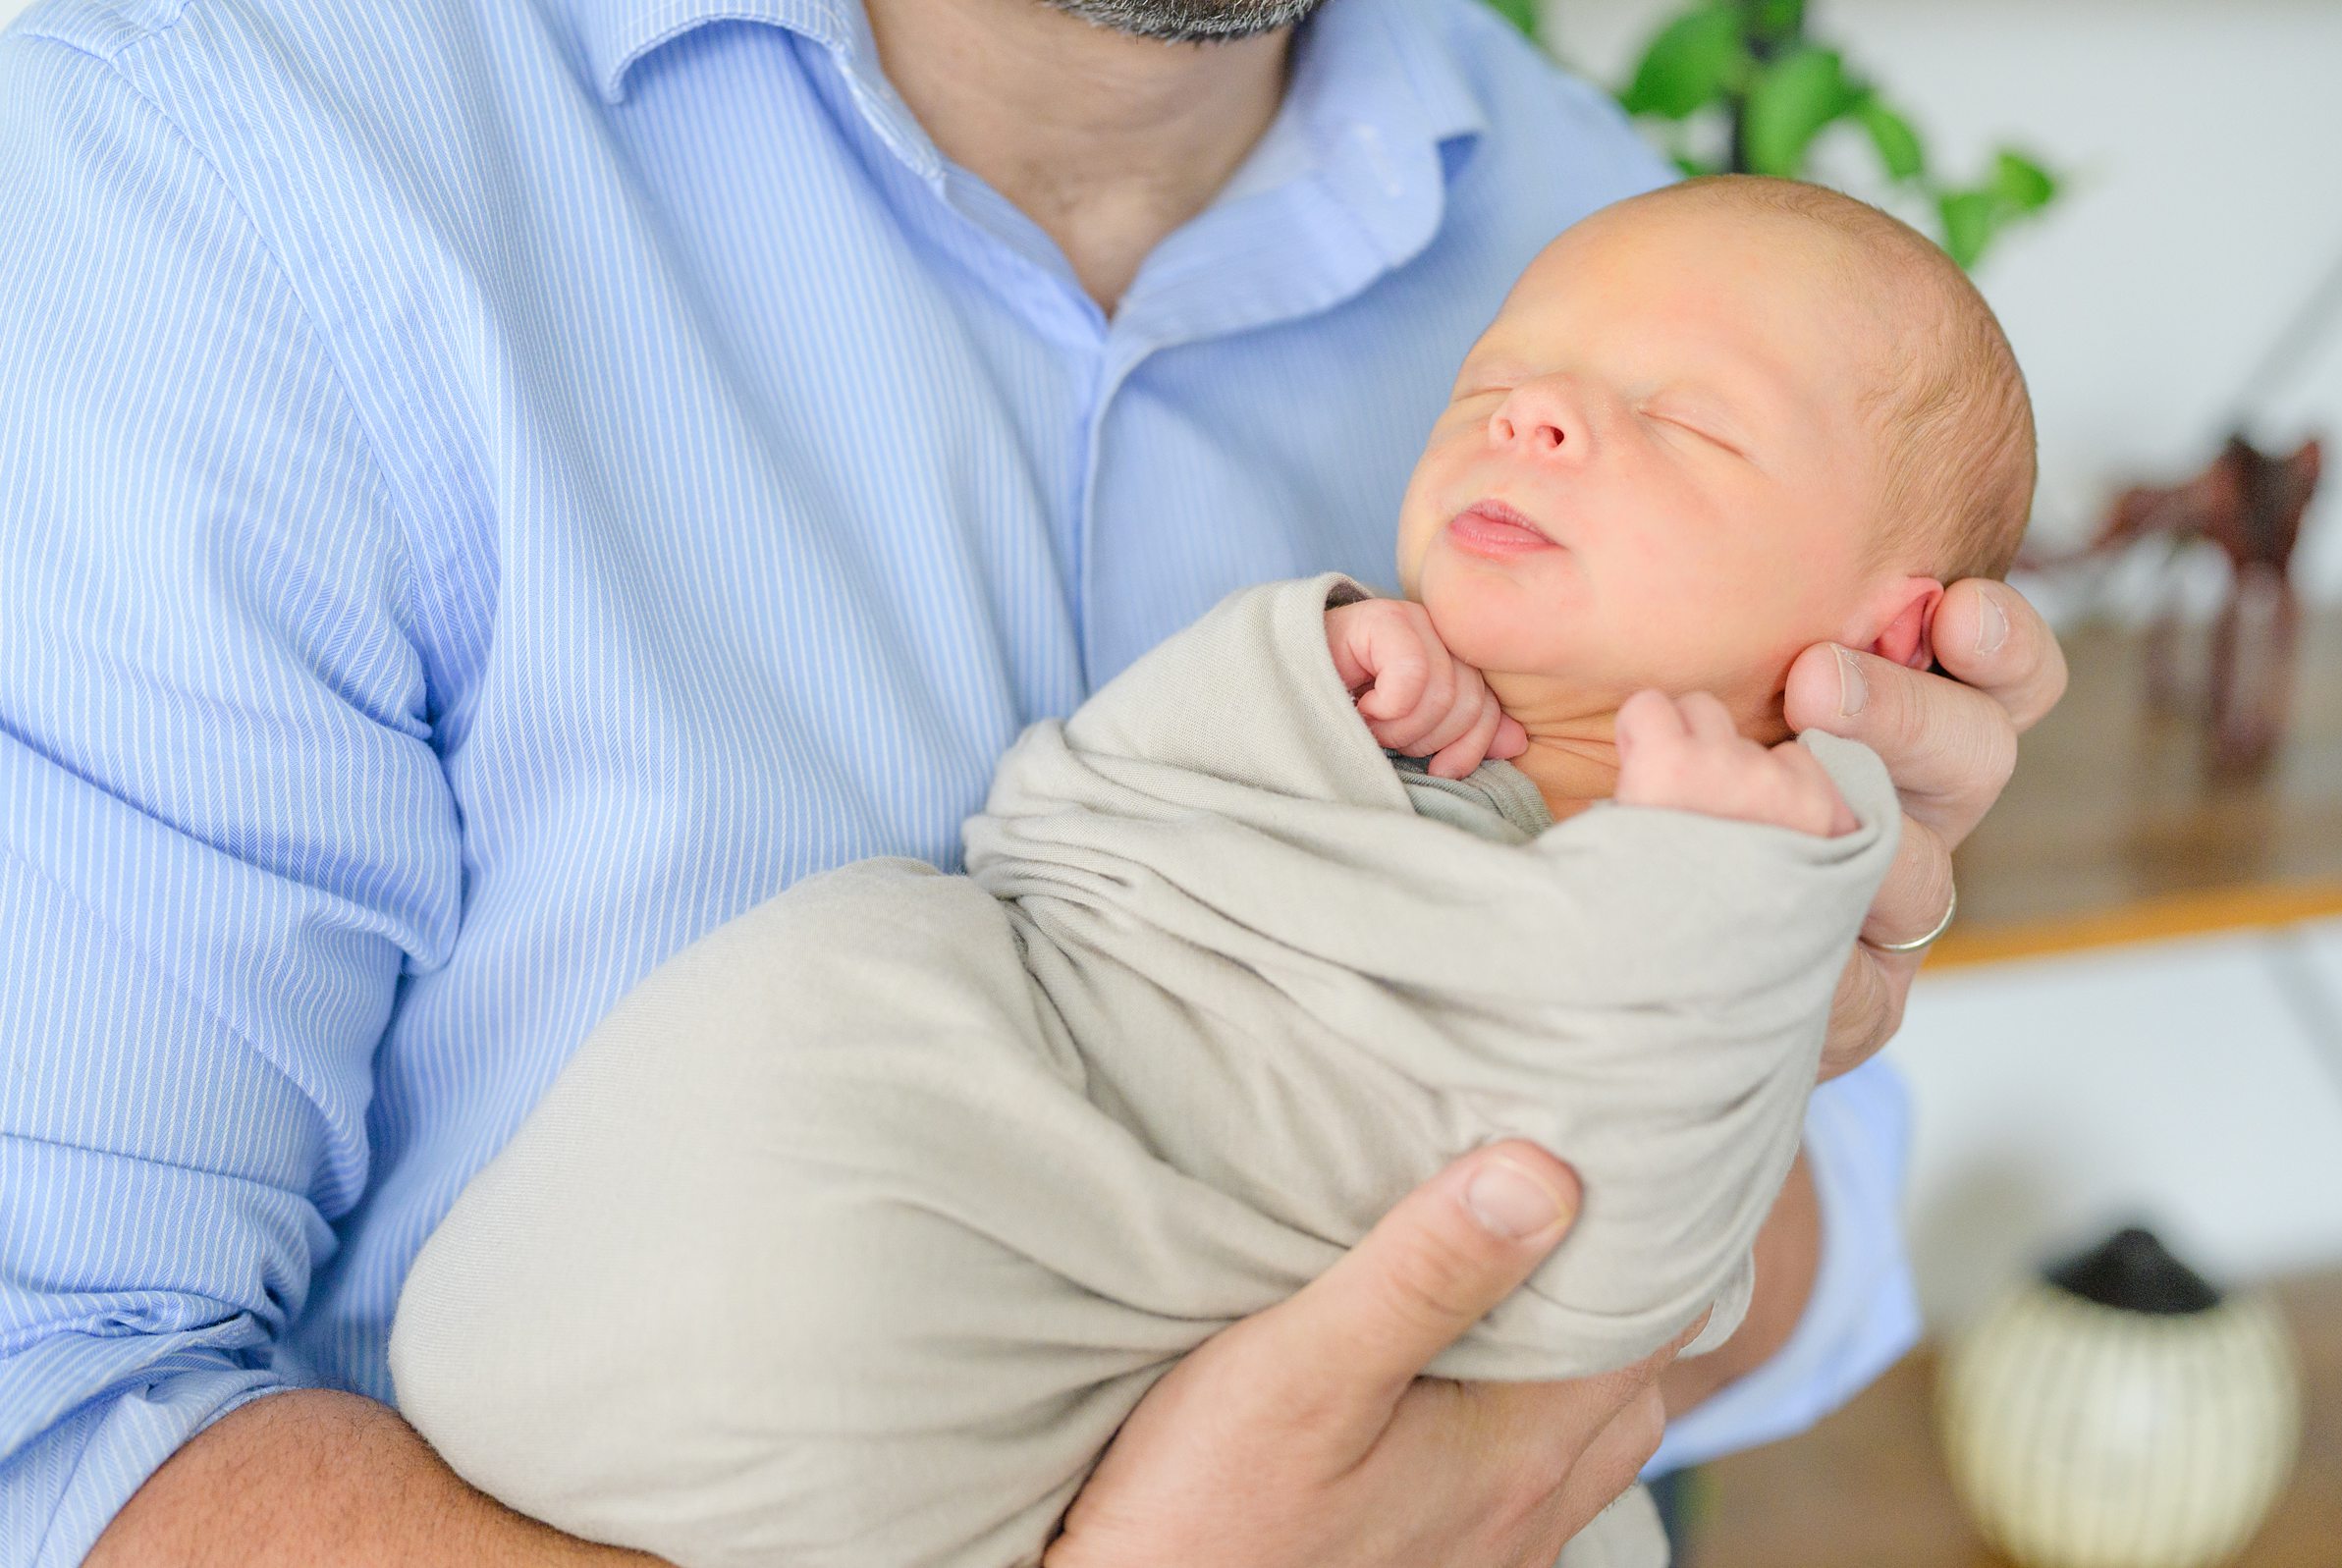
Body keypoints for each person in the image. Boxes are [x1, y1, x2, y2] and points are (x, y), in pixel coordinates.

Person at [0, 0, 2067, 1562]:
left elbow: (1799, 1252)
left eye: (1677, 436)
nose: (1538, 433)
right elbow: (54, 1422)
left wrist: (1769, 972)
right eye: (1503, 400)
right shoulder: (209, 150)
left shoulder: (1626, 226)